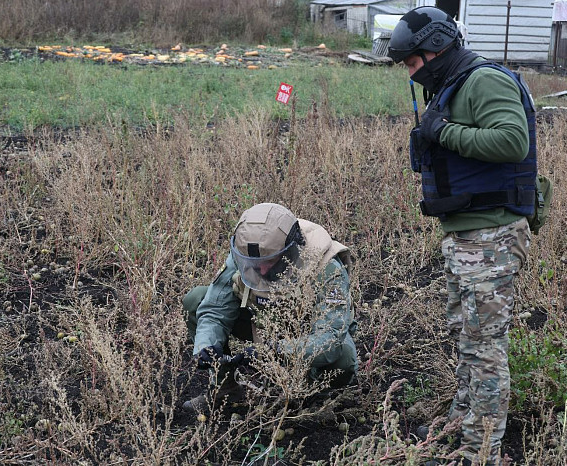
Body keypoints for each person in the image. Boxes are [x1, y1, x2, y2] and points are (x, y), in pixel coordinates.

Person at [388, 7, 535, 465]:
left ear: (435, 49)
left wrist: (445, 131)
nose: (412, 74)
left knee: (485, 347)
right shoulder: (450, 86)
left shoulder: (484, 81)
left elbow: (513, 141)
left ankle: (480, 453)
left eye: (413, 63)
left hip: (491, 236)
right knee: (467, 339)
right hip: (467, 236)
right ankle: (461, 426)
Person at [182, 203, 358, 412]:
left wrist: (273, 352)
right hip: (261, 321)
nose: (261, 269)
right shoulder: (245, 254)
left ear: (293, 249)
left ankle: (311, 394)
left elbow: (328, 338)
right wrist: (206, 346)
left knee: (344, 359)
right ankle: (225, 391)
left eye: (270, 261)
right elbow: (214, 309)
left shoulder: (326, 266)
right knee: (195, 300)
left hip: (306, 332)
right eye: (254, 264)